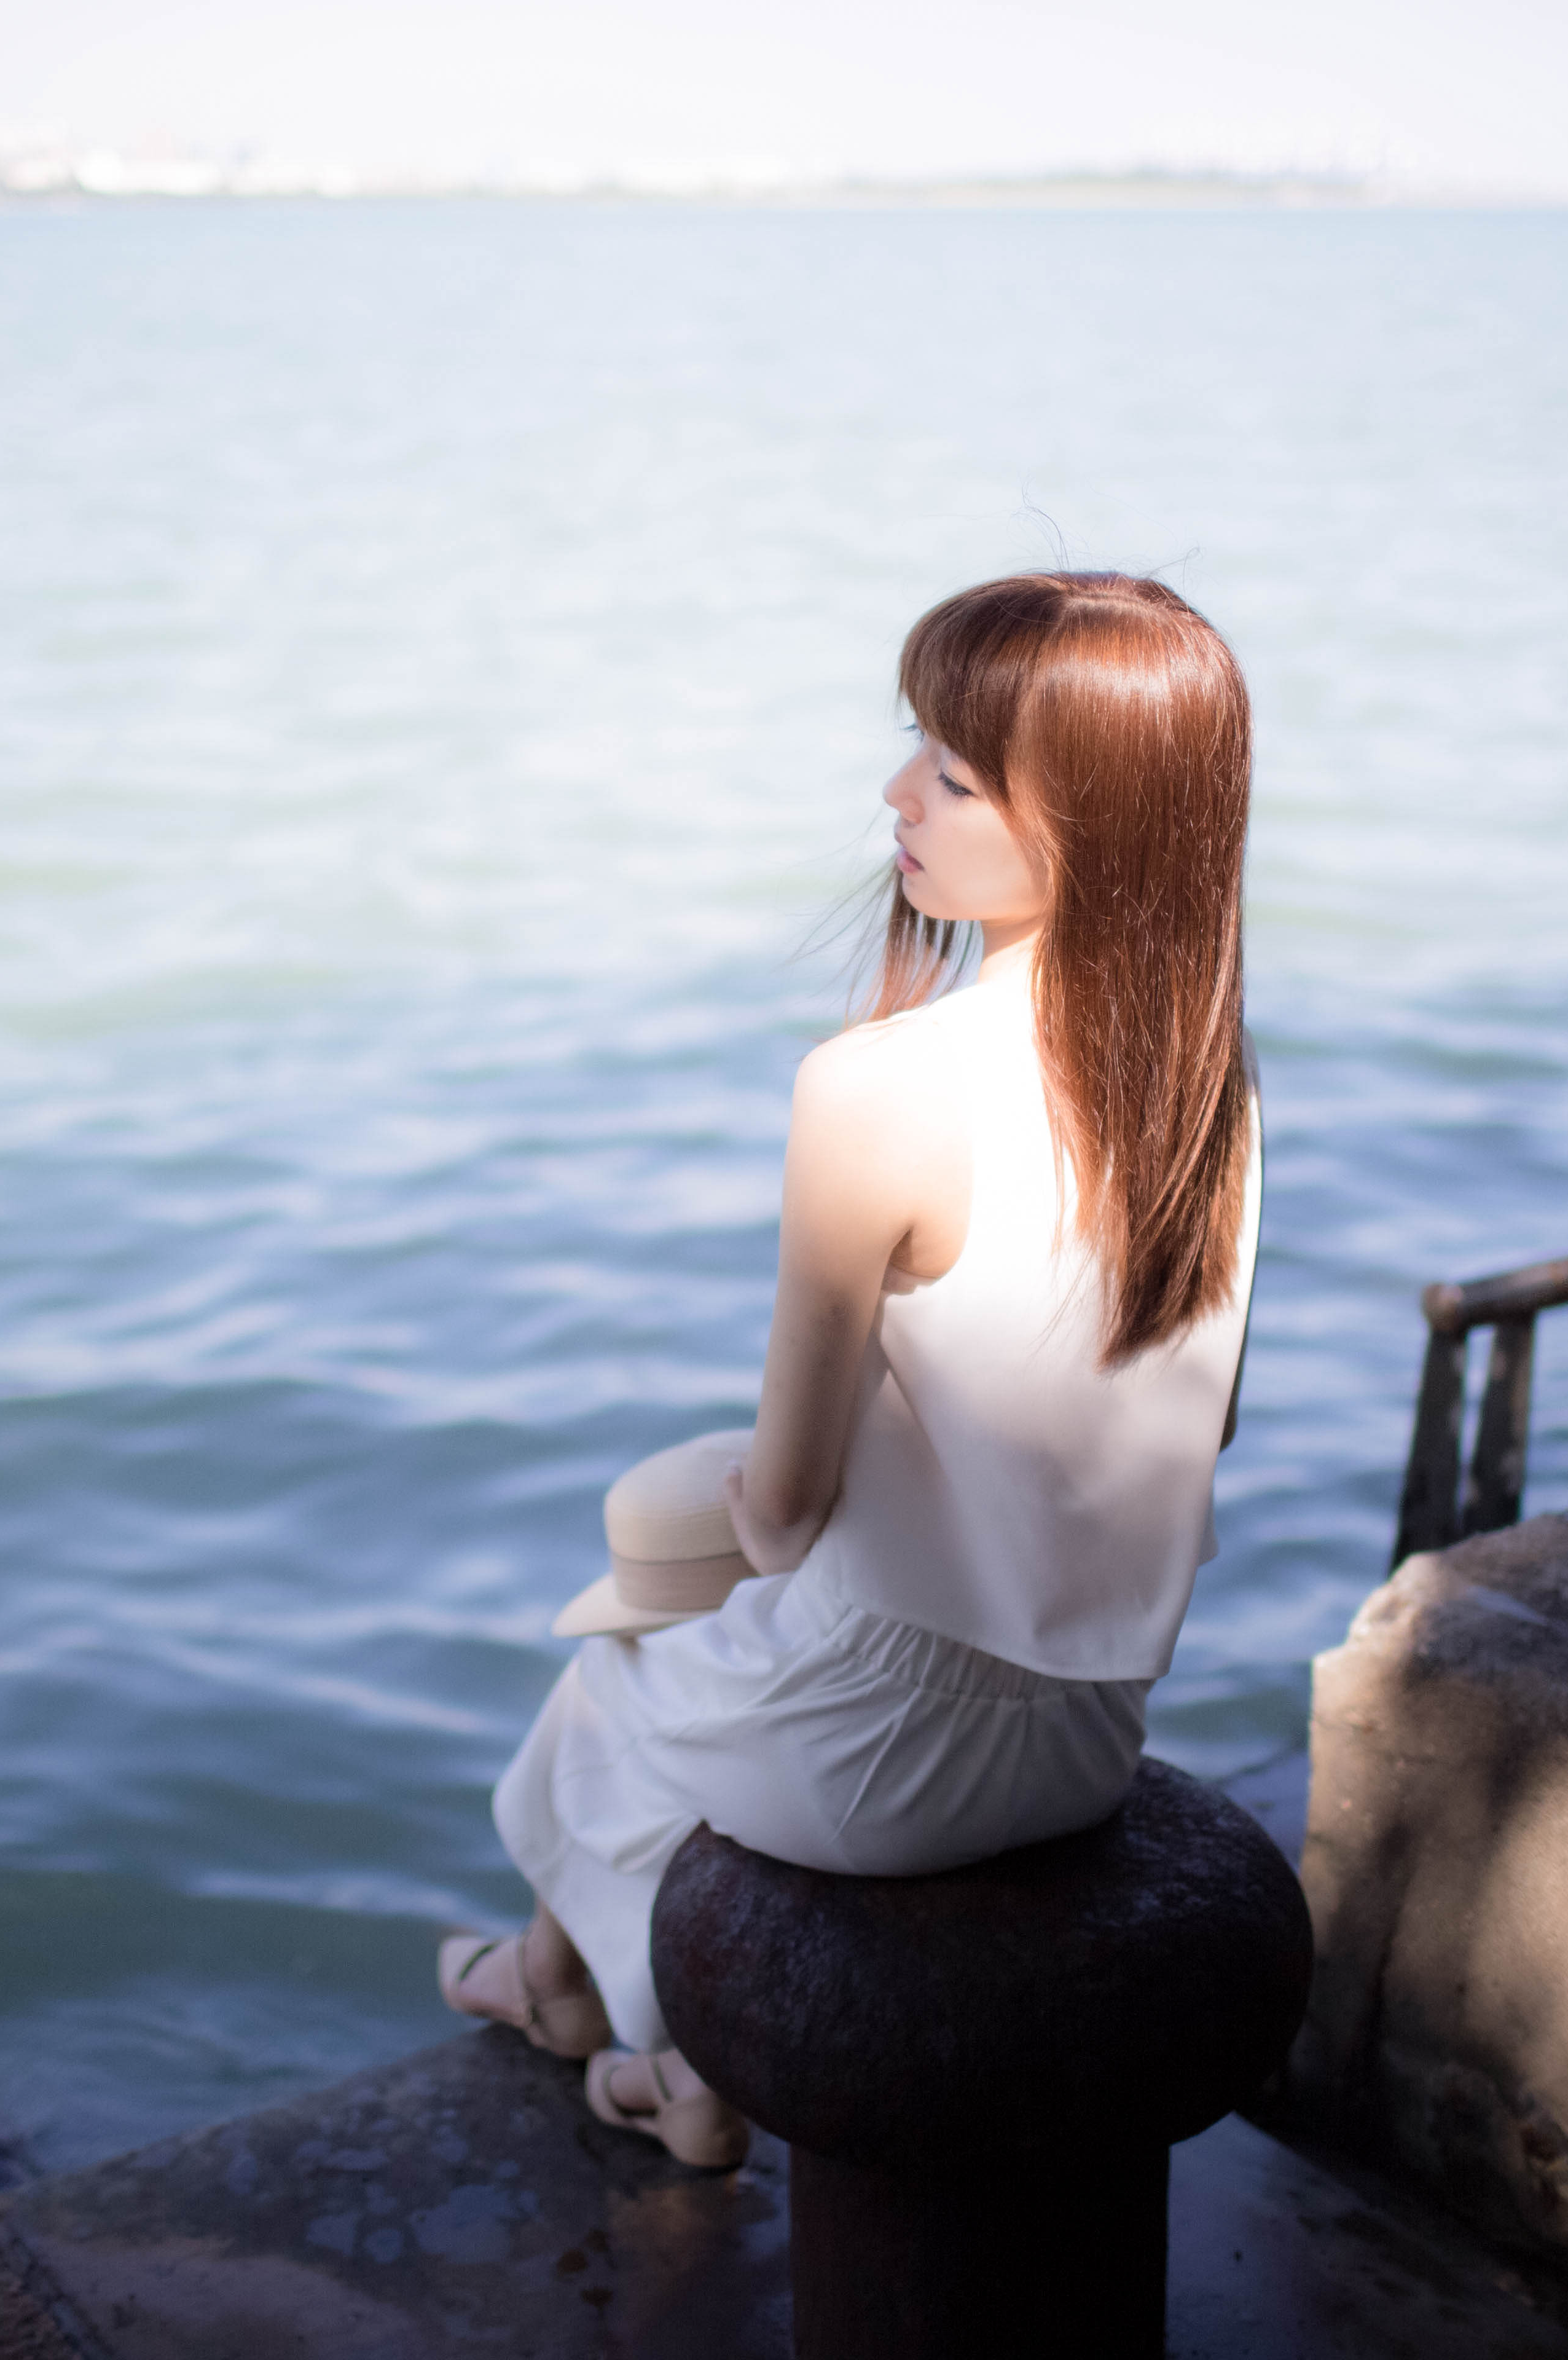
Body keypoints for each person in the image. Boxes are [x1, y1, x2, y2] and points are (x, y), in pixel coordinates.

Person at [437, 572, 1260, 2167]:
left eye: (953, 773)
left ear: (1086, 823)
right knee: (674, 1684)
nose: (900, 795)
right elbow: (1184, 1428)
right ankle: (591, 2021)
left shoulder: (875, 1091)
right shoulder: (1205, 1095)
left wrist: (725, 1534)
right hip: (1095, 1736)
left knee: (611, 1686)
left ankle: (603, 2025)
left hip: (894, 1757)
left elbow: (790, 1506)